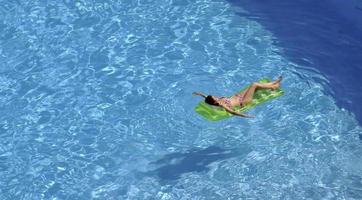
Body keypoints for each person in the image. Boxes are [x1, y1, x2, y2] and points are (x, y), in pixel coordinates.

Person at [193, 76, 283, 118]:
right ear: (215, 102)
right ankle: (274, 86)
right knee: (254, 85)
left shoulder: (216, 100)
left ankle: (273, 83)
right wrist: (247, 116)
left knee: (256, 87)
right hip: (243, 102)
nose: (216, 96)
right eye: (215, 97)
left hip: (239, 96)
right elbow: (233, 113)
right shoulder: (223, 105)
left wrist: (199, 94)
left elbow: (206, 98)